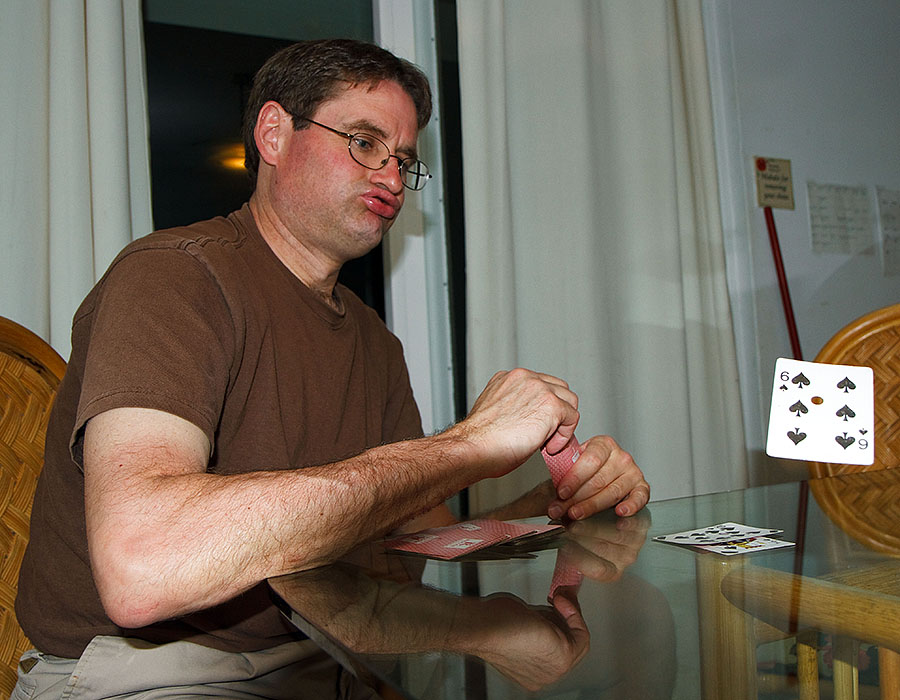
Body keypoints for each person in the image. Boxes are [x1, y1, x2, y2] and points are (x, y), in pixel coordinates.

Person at [14, 39, 649, 699]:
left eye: (404, 159)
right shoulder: (174, 277)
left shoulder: (374, 340)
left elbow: (417, 549)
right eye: (365, 143)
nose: (393, 177)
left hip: (329, 659)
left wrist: (554, 507)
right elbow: (142, 565)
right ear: (273, 134)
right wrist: (468, 444)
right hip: (157, 675)